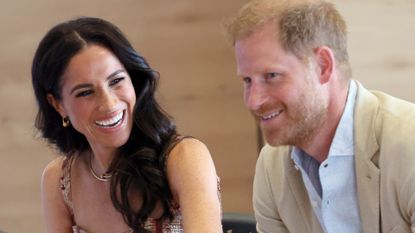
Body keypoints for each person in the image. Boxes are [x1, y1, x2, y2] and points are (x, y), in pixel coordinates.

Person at [226, 0, 415, 232]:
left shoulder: (409, 145)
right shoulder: (271, 166)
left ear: (323, 66)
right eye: (247, 80)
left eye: (272, 75)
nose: (253, 101)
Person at [32, 17, 222, 233]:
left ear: (133, 80)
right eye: (85, 92)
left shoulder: (184, 159)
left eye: (116, 81)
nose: (109, 103)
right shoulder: (58, 181)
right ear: (58, 105)